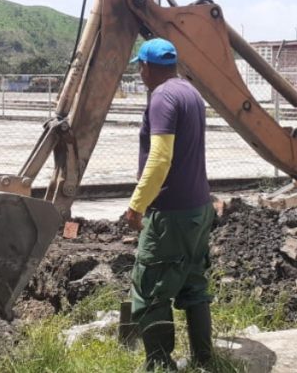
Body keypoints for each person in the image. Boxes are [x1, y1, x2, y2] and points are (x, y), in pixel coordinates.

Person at [121, 38, 215, 370]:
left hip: (171, 212)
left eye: (140, 67)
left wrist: (137, 204)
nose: (140, 73)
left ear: (146, 67)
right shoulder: (191, 93)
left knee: (149, 288)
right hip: (199, 209)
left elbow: (160, 158)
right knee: (192, 281)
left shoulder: (162, 96)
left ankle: (159, 364)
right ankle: (204, 359)